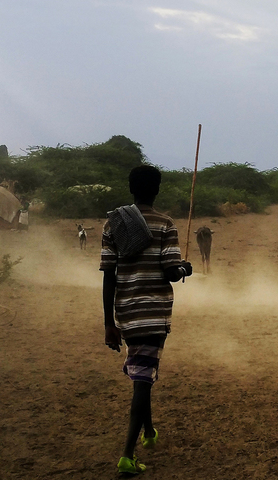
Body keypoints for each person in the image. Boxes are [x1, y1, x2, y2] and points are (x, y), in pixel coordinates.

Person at [100, 165, 192, 475]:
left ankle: (150, 433)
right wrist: (183, 269)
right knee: (143, 377)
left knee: (143, 369)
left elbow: (109, 275)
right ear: (157, 190)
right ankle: (127, 454)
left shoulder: (113, 224)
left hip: (126, 311)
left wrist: (108, 323)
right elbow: (169, 271)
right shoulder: (166, 223)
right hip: (154, 312)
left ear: (130, 189)